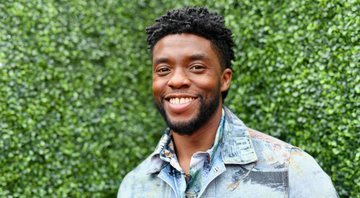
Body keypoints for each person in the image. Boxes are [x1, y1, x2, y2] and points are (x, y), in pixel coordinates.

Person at [118, 7, 338, 198]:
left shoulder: (291, 171)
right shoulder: (134, 186)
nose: (176, 80)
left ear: (224, 79)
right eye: (163, 70)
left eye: (196, 67)